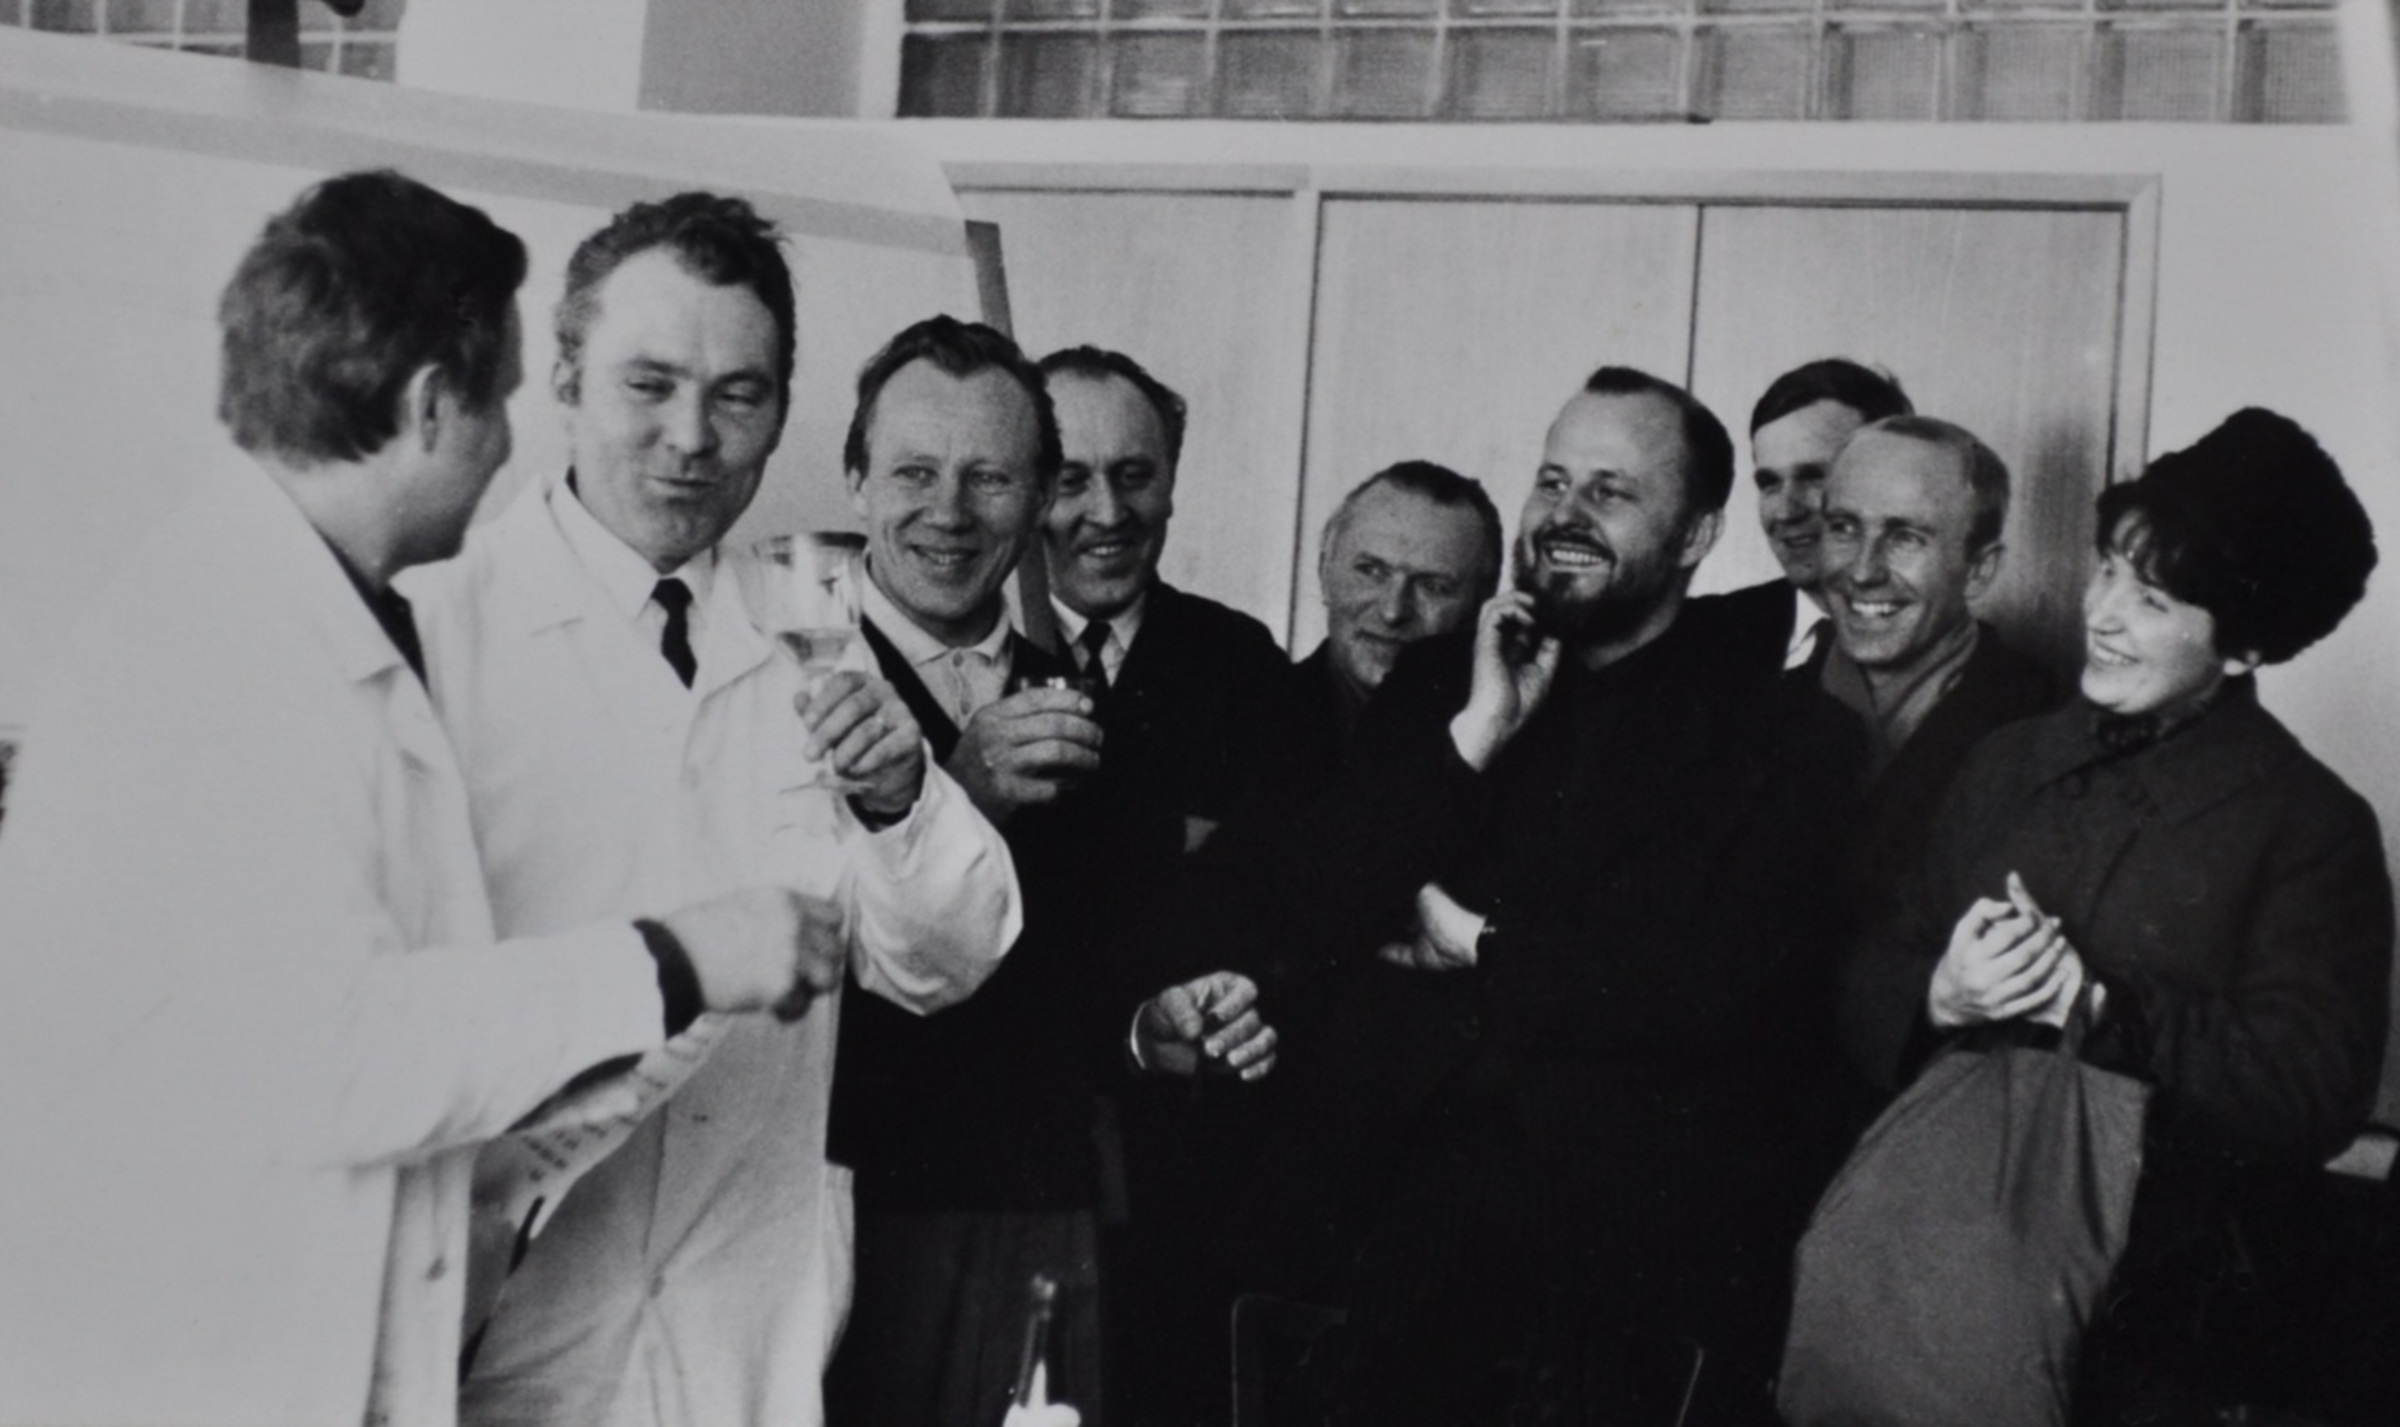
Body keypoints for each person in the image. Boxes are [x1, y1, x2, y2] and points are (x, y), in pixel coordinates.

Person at [0, 171, 831, 1427]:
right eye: (497, 403)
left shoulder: (316, 623)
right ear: (435, 403)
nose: (502, 449)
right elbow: (335, 1052)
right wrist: (674, 960)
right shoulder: (224, 651)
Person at [406, 193, 1021, 1427]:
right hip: (491, 1327)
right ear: (566, 381)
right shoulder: (434, 628)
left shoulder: (808, 631)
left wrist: (900, 799)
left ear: (781, 412)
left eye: (738, 395)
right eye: (650, 384)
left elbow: (943, 961)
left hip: (741, 1333)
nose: (691, 437)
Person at [1227, 366, 1860, 1424]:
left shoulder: (1783, 733)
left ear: (1697, 535)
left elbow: (1712, 995)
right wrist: (1476, 735)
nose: (1565, 515)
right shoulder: (1441, 683)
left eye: (1611, 492)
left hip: (1615, 1280)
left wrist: (1481, 942)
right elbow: (1313, 914)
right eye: (1553, 481)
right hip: (1375, 1250)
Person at [1839, 408, 2391, 1423]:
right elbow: (1872, 961)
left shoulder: (2313, 825)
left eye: (2153, 598)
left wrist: (2097, 1008)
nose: (2102, 612)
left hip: (2159, 1326)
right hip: (1931, 1273)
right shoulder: (2005, 758)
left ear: (2245, 644)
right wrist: (1940, 993)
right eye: (2105, 571)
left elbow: (2312, 1094)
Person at [823, 315, 1277, 1427]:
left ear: (1034, 502)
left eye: (990, 477)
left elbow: (1092, 972)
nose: (949, 511)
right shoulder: (781, 670)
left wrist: (1148, 1028)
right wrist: (957, 800)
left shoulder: (1070, 696)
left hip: (1036, 1217)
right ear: (856, 478)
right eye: (915, 472)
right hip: (835, 1221)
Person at [1812, 415, 2059, 917]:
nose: (1863, 570)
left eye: (1904, 536)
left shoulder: (2043, 728)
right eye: (1844, 528)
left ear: (1979, 570)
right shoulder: (1756, 702)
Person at [1697, 357, 1913, 671]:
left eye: (1814, 477)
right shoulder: (1702, 635)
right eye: (1770, 483)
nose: (1786, 511)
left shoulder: (1953, 646)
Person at [1302, 459, 1504, 759]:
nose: (1393, 612)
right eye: (1371, 571)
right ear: (1324, 572)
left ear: (1481, 605)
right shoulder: (1251, 722)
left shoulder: (1503, 743)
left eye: (1433, 586)